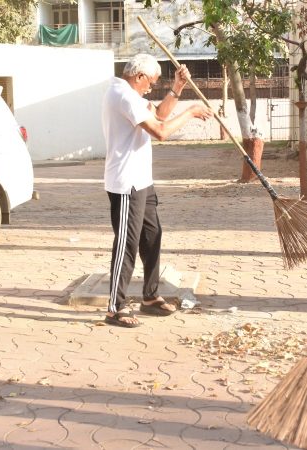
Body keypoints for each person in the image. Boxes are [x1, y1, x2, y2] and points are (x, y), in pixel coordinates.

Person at [102, 54, 211, 328]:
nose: (150, 88)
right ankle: (115, 307)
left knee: (152, 237)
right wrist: (190, 112)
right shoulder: (123, 95)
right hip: (126, 183)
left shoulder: (131, 95)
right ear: (138, 76)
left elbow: (159, 115)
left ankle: (149, 297)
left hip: (142, 182)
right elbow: (161, 131)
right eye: (150, 82)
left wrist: (177, 88)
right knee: (127, 244)